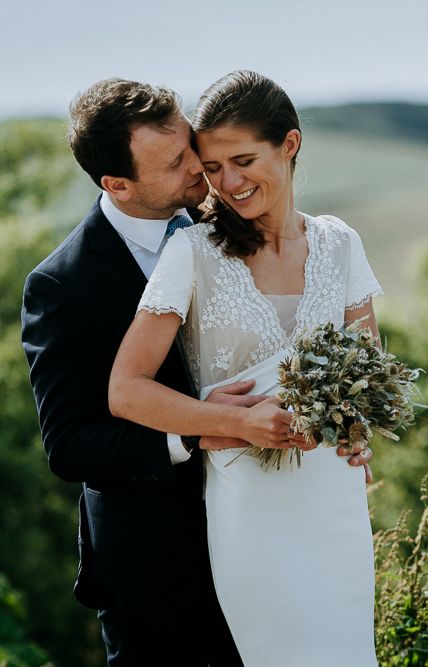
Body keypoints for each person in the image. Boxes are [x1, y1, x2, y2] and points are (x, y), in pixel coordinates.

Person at [20, 78, 372, 666]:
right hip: (156, 560)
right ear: (118, 184)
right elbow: (71, 446)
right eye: (180, 161)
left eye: (194, 150)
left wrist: (347, 423)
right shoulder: (63, 285)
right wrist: (203, 432)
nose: (202, 172)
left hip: (289, 517)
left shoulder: (237, 219)